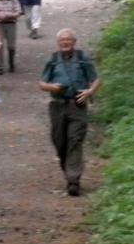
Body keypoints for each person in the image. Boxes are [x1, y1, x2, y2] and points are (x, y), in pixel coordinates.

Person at [38, 29, 101, 197]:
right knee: (59, 141)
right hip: (57, 105)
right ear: (58, 43)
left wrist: (89, 92)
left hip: (77, 105)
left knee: (75, 139)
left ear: (74, 41)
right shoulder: (52, 60)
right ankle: (69, 170)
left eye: (68, 40)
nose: (65, 42)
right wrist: (52, 87)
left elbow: (96, 79)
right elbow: (42, 83)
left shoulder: (82, 58)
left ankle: (73, 180)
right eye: (62, 40)